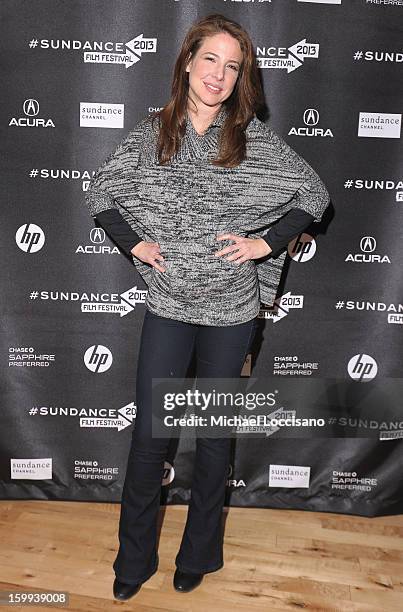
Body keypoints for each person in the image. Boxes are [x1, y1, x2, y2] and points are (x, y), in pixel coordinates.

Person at [84, 13, 330, 601]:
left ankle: (199, 554)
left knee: (215, 439)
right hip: (169, 305)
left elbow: (313, 195)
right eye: (210, 60)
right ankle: (133, 561)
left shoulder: (253, 139)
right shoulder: (153, 133)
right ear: (188, 63)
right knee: (150, 438)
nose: (219, 74)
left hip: (232, 312)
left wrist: (265, 243)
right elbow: (101, 192)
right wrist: (137, 243)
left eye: (232, 66)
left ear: (240, 77)